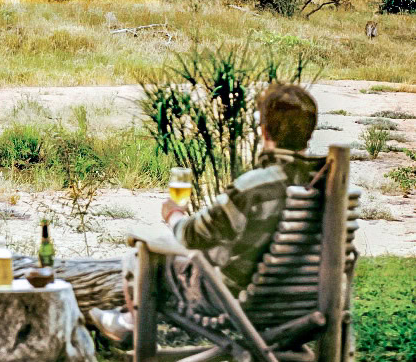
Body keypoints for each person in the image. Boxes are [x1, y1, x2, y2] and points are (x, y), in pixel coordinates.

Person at [89, 83, 320, 347]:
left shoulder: (256, 186)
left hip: (236, 301)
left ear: (264, 130)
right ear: (309, 132)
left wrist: (174, 216)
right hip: (305, 301)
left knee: (141, 255)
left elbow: (193, 236)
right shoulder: (324, 184)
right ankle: (124, 320)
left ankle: (129, 326)